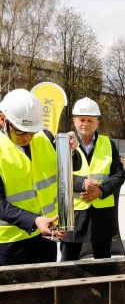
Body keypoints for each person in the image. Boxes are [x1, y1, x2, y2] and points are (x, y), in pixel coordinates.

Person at [0, 88, 80, 265]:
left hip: (45, 237)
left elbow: (75, 167)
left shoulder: (45, 138)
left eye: (32, 132)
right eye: (21, 131)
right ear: (2, 120)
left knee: (44, 289)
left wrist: (72, 151)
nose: (27, 137)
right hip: (9, 243)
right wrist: (34, 220)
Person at [60, 97, 125, 261]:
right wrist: (82, 183)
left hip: (101, 215)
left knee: (103, 264)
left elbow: (118, 175)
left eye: (90, 120)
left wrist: (101, 190)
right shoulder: (64, 143)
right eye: (81, 119)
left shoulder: (108, 144)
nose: (85, 123)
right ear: (74, 120)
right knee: (68, 265)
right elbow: (57, 175)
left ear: (97, 122)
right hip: (73, 214)